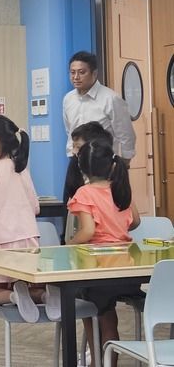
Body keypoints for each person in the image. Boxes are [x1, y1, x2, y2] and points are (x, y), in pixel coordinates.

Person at [0, 114, 61, 323]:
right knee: (32, 281)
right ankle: (43, 294)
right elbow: (35, 207)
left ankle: (14, 295)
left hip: (1, 241)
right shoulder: (22, 170)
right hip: (29, 239)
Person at [66, 138, 141, 367]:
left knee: (92, 310)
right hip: (127, 270)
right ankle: (108, 362)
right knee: (109, 317)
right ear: (111, 165)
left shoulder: (85, 193)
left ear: (82, 168)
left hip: (99, 270)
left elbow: (87, 231)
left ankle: (98, 361)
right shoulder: (119, 187)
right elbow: (136, 221)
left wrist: (70, 243)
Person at [63, 51, 136, 167]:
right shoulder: (68, 99)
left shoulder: (111, 99)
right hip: (76, 160)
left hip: (104, 162)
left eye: (81, 72)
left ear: (94, 73)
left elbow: (126, 134)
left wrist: (124, 164)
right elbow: (69, 130)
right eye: (72, 72)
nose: (76, 77)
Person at [63, 121, 114, 204]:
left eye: (78, 147)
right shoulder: (74, 169)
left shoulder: (111, 188)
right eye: (73, 146)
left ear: (93, 149)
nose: (73, 151)